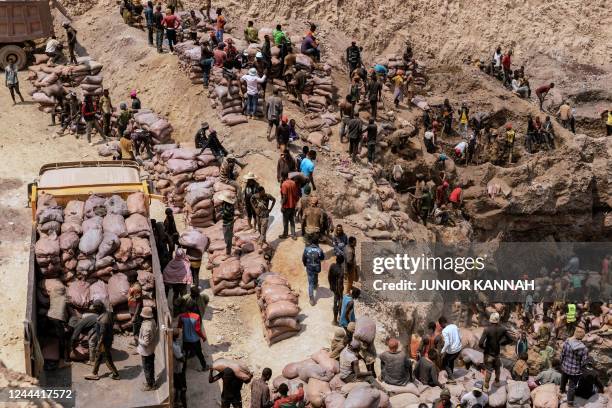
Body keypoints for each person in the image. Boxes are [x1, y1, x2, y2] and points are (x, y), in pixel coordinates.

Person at [85, 300, 120, 380]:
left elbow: (102, 334)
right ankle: (94, 373)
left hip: (104, 341)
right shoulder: (108, 313)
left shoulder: (103, 320)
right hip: (108, 338)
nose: (94, 311)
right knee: (99, 356)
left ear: (99, 309)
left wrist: (99, 344)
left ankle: (116, 374)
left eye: (95, 309)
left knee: (107, 358)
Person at [479, 312, 512, 390]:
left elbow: (480, 343)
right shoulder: (503, 329)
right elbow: (510, 339)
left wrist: (484, 348)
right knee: (497, 368)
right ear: (498, 320)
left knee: (489, 370)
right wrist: (502, 343)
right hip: (497, 353)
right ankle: (497, 381)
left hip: (488, 354)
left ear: (490, 320)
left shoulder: (487, 329)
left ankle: (486, 386)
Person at [560, 327, 588, 406]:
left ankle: (561, 390)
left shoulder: (567, 342)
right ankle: (570, 403)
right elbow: (583, 362)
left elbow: (562, 354)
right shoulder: (584, 349)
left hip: (565, 366)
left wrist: (561, 363)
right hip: (575, 371)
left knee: (563, 378)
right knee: (571, 387)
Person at [178, 305, 207, 371]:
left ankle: (184, 369)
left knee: (185, 354)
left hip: (185, 339)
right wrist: (203, 337)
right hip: (195, 340)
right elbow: (198, 330)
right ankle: (204, 366)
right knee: (199, 353)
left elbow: (179, 327)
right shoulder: (197, 317)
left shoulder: (182, 316)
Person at [137, 306, 158, 391]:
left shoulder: (146, 327)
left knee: (147, 368)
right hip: (151, 349)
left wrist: (137, 339)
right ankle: (152, 382)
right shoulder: (152, 321)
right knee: (151, 366)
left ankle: (150, 385)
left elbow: (145, 343)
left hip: (146, 351)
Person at [439, 316, 462, 383]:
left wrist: (442, 351)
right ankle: (451, 374)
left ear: (442, 323)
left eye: (440, 325)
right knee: (451, 361)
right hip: (459, 348)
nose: (441, 326)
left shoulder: (444, 331)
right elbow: (460, 336)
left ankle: (451, 378)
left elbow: (447, 343)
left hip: (453, 351)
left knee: (445, 363)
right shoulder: (454, 326)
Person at [302, 237, 325, 305]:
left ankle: (311, 299)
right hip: (317, 267)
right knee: (316, 275)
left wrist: (305, 264)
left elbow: (303, 258)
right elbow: (322, 258)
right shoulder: (320, 250)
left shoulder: (306, 249)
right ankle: (315, 285)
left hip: (309, 268)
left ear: (311, 242)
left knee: (310, 283)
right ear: (317, 242)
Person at [279, 170, 299, 240]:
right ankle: (293, 235)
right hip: (292, 206)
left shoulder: (284, 184)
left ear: (283, 176)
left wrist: (282, 205)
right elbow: (296, 195)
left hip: (286, 206)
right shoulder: (293, 183)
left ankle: (285, 234)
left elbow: (285, 197)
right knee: (292, 220)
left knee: (285, 221)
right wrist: (295, 202)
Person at [172, 329, 187, 407]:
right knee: (182, 387)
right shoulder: (175, 347)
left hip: (174, 367)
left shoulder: (172, 343)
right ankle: (180, 402)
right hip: (177, 368)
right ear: (177, 336)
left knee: (177, 385)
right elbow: (180, 358)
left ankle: (177, 398)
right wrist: (184, 357)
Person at [329, 253, 345, 325]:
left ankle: (335, 319)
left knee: (336, 302)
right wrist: (340, 293)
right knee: (339, 302)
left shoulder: (332, 266)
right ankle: (337, 319)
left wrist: (331, 286)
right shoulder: (341, 270)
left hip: (333, 287)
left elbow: (329, 277)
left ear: (336, 260)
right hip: (338, 289)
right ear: (342, 261)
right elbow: (340, 283)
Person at [219, 191, 236, 255]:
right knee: (228, 237)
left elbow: (225, 215)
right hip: (227, 223)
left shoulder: (229, 207)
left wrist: (221, 213)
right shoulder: (225, 204)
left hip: (228, 224)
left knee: (227, 239)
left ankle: (228, 252)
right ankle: (228, 251)